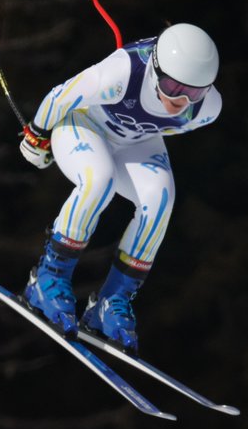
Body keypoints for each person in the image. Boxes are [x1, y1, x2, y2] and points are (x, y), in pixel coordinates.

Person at [17, 23, 221, 355]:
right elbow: (61, 95)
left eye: (193, 93)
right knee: (100, 180)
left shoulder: (207, 110)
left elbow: (159, 123)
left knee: (159, 201)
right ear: (156, 70)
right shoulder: (122, 73)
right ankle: (48, 278)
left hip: (133, 141)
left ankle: (111, 304)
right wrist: (38, 135)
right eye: (172, 86)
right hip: (84, 123)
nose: (180, 100)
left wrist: (135, 133)